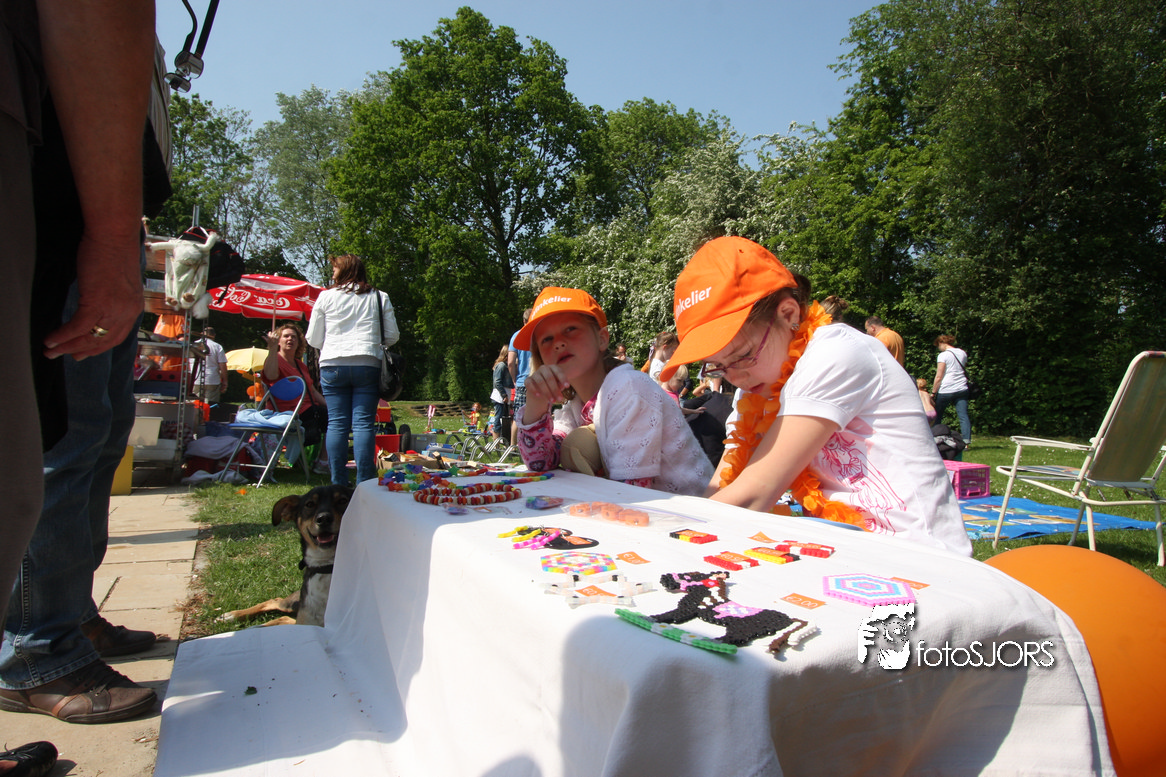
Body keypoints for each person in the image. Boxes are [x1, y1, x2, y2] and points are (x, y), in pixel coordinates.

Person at [1, 0, 164, 730]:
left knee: (97, 433)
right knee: (61, 436)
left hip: (83, 202)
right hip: (61, 200)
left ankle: (64, 613)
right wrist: (108, 235)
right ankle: (36, 646)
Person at [660, 236, 971, 556]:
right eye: (717, 366)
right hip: (843, 553)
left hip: (921, 561)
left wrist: (666, 536)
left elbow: (754, 493)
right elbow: (724, 485)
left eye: (742, 355)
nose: (735, 377)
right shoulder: (752, 391)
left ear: (788, 314)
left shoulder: (836, 352)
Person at [514, 287, 712, 496]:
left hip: (695, 511)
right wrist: (536, 406)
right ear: (541, 358)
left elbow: (631, 494)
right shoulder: (576, 405)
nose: (558, 343)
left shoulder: (629, 387)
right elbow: (540, 462)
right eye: (546, 339)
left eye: (570, 329)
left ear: (602, 339)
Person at [306, 254, 399, 486]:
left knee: (337, 423)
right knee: (363, 424)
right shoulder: (379, 296)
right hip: (368, 363)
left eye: (335, 269)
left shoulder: (325, 296)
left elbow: (313, 338)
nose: (332, 273)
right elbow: (392, 336)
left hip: (333, 364)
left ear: (345, 270)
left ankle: (338, 482)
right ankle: (364, 482)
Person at [262, 322, 329, 473]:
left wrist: (330, 406)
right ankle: (323, 462)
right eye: (286, 336)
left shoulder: (300, 365)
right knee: (333, 420)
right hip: (287, 412)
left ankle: (319, 460)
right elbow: (271, 376)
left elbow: (312, 391)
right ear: (279, 341)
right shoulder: (274, 359)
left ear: (299, 342)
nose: (290, 339)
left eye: (294, 337)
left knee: (336, 415)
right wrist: (271, 349)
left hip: (307, 409)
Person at [931, 334, 972, 447]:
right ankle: (966, 442)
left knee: (938, 415)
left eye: (938, 345)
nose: (938, 348)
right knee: (963, 416)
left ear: (941, 343)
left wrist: (933, 392)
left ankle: (934, 438)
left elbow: (939, 376)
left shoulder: (943, 355)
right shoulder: (962, 353)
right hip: (962, 387)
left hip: (946, 389)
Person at [507, 308, 532, 445]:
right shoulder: (540, 335)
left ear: (523, 321)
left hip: (522, 382)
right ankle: (534, 447)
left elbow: (510, 362)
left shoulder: (516, 336)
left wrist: (514, 380)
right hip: (539, 382)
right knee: (538, 417)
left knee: (518, 417)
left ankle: (513, 446)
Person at [192, 325, 228, 403]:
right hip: (212, 379)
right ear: (214, 335)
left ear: (201, 333)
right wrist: (225, 381)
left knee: (195, 404)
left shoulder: (194, 345)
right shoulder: (217, 346)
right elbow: (222, 365)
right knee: (211, 404)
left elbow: (189, 362)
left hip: (195, 379)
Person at [490, 344, 513, 440]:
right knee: (498, 420)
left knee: (505, 421)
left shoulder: (507, 366)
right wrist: (504, 395)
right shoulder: (501, 366)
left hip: (506, 395)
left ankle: (504, 440)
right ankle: (496, 442)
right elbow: (497, 382)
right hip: (500, 397)